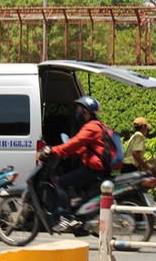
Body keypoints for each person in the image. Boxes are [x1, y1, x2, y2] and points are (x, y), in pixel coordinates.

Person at [49, 95, 111, 232]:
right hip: (99, 168)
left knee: (61, 182)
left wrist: (54, 150)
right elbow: (84, 147)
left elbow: (75, 142)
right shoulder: (99, 126)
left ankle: (68, 217)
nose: (77, 113)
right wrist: (67, 153)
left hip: (94, 169)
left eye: (79, 110)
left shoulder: (90, 128)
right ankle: (81, 216)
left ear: (86, 111)